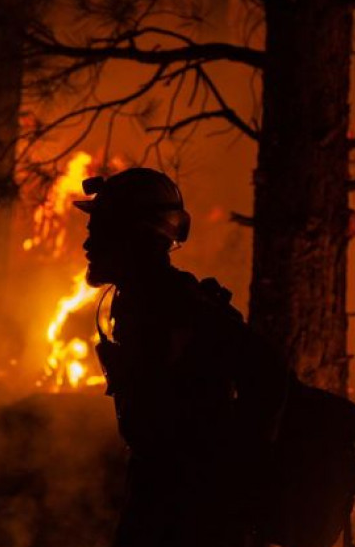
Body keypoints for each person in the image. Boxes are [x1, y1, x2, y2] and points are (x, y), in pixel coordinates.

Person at [74, 168, 287, 547]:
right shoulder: (143, 301)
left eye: (100, 229)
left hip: (190, 510)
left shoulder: (178, 304)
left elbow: (266, 377)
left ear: (133, 235)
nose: (88, 243)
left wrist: (229, 474)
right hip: (165, 494)